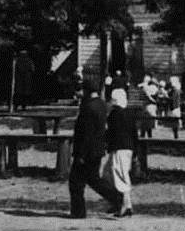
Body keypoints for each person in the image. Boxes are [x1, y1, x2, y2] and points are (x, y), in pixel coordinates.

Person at [68, 77, 122, 219]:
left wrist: (80, 154)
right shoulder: (101, 104)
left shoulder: (88, 107)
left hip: (86, 150)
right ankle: (116, 197)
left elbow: (86, 133)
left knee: (76, 182)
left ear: (87, 90)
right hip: (97, 148)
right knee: (93, 179)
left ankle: (78, 212)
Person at [104, 87, 136, 217]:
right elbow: (134, 134)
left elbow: (111, 133)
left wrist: (106, 144)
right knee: (117, 173)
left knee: (119, 174)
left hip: (119, 147)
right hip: (128, 148)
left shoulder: (114, 114)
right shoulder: (129, 113)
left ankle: (125, 204)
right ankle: (122, 203)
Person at [138, 74, 158, 139]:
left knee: (146, 121)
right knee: (148, 121)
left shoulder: (146, 87)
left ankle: (144, 135)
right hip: (148, 105)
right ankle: (148, 135)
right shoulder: (148, 87)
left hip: (147, 105)